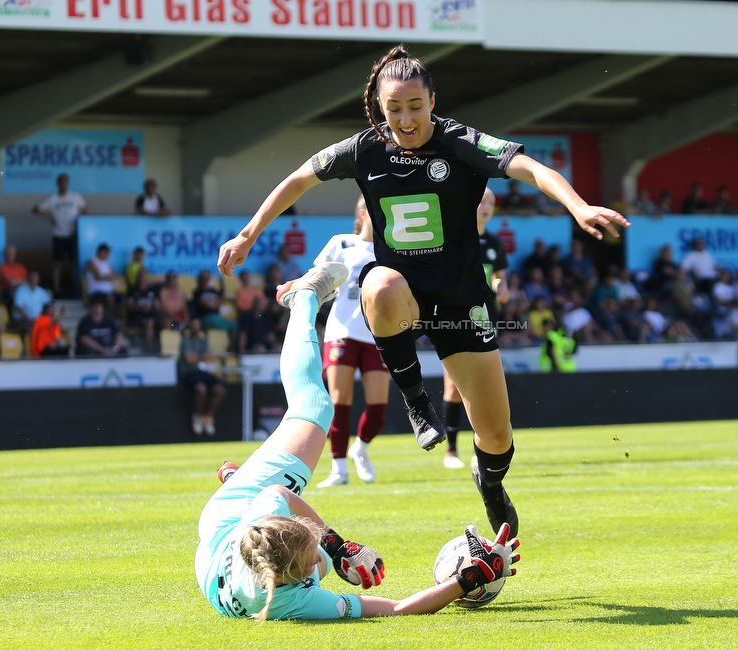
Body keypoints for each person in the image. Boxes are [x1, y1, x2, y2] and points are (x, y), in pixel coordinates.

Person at [216, 45, 628, 536]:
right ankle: (416, 402)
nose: (406, 118)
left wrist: (578, 207)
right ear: (381, 108)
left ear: (433, 100)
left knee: (496, 434)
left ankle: (490, 483)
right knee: (381, 283)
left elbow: (533, 169)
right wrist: (248, 233)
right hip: (403, 297)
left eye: (415, 106)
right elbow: (299, 178)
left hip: (462, 302)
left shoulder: (461, 143)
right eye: (394, 109)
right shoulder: (365, 149)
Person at [197, 264, 520, 621]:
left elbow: (280, 494)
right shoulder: (289, 601)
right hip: (225, 533)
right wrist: (468, 579)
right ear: (290, 578)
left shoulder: (278, 571)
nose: (315, 546)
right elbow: (396, 609)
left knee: (313, 409)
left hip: (227, 517)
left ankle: (303, 298)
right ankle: (240, 478)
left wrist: (337, 547)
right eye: (311, 546)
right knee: (320, 563)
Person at [311, 197, 390, 487]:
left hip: (377, 335)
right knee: (339, 402)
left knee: (379, 408)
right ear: (362, 212)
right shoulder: (342, 243)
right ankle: (338, 469)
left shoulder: (391, 248)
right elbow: (318, 278)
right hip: (341, 332)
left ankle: (361, 449)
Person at [442, 188, 507, 470]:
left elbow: (498, 278)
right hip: (455, 318)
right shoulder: (455, 235)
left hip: (485, 321)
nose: (486, 206)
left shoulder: (494, 243)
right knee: (454, 389)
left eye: (491, 202)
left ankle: (477, 450)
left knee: (483, 390)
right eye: (481, 200)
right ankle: (451, 452)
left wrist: (501, 289)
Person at [32, 173, 87, 298]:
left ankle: (76, 287)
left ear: (68, 183)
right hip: (58, 234)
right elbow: (35, 209)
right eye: (61, 182)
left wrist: (80, 222)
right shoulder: (53, 198)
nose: (63, 184)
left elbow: (85, 209)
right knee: (57, 263)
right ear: (58, 184)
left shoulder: (75, 196)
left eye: (65, 182)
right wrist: (50, 217)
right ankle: (57, 288)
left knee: (74, 262)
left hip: (72, 234)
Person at [179, 317, 226, 435]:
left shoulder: (203, 340)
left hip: (202, 372)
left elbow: (210, 355)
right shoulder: (186, 340)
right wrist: (203, 356)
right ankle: (197, 416)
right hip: (189, 373)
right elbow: (190, 360)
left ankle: (208, 416)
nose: (196, 327)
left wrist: (199, 357)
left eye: (197, 324)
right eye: (193, 324)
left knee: (221, 390)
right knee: (202, 390)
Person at [11, 270, 52, 348]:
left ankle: (47, 348)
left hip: (38, 320)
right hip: (23, 320)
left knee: (52, 326)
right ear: (28, 278)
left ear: (38, 280)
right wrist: (28, 319)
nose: (33, 279)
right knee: (32, 327)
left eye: (35, 277)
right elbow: (18, 307)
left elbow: (48, 306)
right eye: (31, 277)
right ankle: (33, 349)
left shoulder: (41, 292)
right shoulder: (21, 290)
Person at [127, 269, 160, 353]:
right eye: (141, 275)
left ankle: (169, 349)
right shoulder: (133, 290)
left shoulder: (153, 290)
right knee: (150, 323)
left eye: (145, 275)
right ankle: (150, 350)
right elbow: (129, 307)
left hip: (153, 315)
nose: (143, 278)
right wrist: (141, 308)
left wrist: (154, 308)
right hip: (137, 316)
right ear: (138, 277)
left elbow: (158, 305)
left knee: (169, 323)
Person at [84, 243, 121, 312]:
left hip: (108, 291)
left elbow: (115, 276)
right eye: (107, 252)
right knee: (110, 298)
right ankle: (111, 320)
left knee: (123, 297)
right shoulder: (92, 262)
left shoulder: (107, 264)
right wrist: (109, 277)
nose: (108, 254)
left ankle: (119, 320)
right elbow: (99, 277)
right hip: (95, 292)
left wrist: (106, 277)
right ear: (101, 252)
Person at [0, 245, 27, 309]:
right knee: (17, 294)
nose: (10, 255)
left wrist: (15, 281)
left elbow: (27, 281)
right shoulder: (2, 267)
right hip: (8, 291)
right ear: (4, 255)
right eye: (8, 254)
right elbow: (10, 283)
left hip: (23, 289)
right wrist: (20, 280)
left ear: (15, 254)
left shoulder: (20, 266)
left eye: (12, 253)